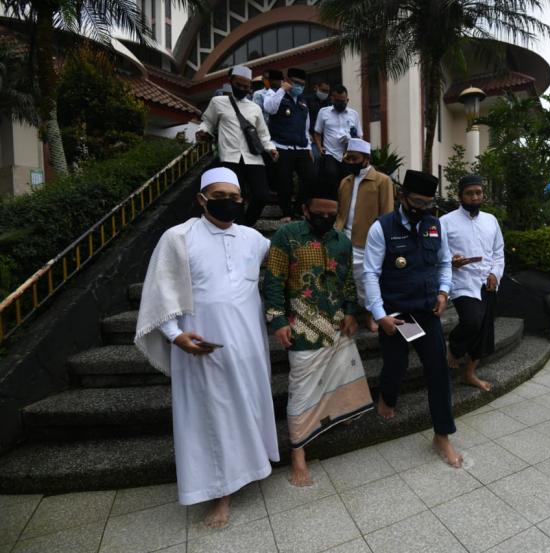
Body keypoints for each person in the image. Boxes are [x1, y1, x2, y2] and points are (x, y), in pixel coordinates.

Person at [134, 167, 279, 529]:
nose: (229, 203)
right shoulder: (178, 237)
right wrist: (174, 335)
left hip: (249, 348)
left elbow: (286, 261)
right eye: (220, 196)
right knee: (211, 420)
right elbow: (160, 291)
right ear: (201, 199)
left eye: (235, 197)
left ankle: (254, 468)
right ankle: (220, 495)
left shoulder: (254, 239)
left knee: (248, 407)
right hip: (202, 348)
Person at [263, 181, 373, 487]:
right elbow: (272, 280)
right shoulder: (287, 236)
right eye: (319, 213)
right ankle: (298, 451)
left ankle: (336, 417)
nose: (326, 218)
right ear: (305, 210)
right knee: (301, 391)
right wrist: (277, 321)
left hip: (338, 324)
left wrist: (352, 311)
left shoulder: (342, 241)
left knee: (341, 376)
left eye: (332, 213)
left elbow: (348, 281)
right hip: (302, 327)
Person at [363, 169, 463, 468]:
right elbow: (370, 272)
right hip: (398, 313)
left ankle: (442, 435)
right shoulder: (382, 227)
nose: (422, 209)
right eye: (417, 202)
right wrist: (380, 315)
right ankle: (387, 397)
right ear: (402, 197)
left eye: (428, 204)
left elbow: (445, 262)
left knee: (438, 371)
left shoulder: (434, 225)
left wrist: (444, 293)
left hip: (427, 310)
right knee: (396, 364)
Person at [440, 175, 505, 392]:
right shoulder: (445, 222)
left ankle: (469, 373)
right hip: (462, 282)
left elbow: (498, 253)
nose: (475, 197)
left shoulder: (491, 220)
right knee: (472, 321)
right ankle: (454, 348)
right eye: (469, 193)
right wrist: (452, 261)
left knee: (484, 332)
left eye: (478, 192)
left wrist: (495, 274)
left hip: (487, 283)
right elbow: (440, 254)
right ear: (460, 196)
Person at [195, 65, 277, 227]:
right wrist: (203, 132)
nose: (242, 89)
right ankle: (238, 226)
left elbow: (262, 133)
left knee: (262, 195)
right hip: (229, 158)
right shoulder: (218, 102)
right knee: (233, 197)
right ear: (231, 82)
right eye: (239, 85)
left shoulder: (255, 107)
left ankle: (246, 225)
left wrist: (271, 148)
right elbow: (208, 123)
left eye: (246, 87)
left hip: (254, 159)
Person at [333, 138, 394, 332]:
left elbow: (387, 213)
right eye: (347, 158)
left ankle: (370, 314)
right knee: (343, 278)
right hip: (343, 238)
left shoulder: (382, 181)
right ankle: (347, 314)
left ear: (366, 158)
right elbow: (341, 211)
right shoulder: (345, 181)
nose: (349, 162)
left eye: (354, 158)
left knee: (366, 279)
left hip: (368, 241)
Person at [264, 67, 317, 221]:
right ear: (287, 81)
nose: (299, 87)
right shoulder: (274, 94)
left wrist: (308, 148)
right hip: (282, 145)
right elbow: (269, 108)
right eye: (296, 83)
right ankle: (286, 212)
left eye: (302, 84)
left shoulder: (303, 101)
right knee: (284, 181)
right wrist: (282, 90)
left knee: (311, 178)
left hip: (301, 147)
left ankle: (299, 207)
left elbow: (305, 127)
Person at [314, 85, 363, 185]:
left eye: (343, 101)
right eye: (337, 101)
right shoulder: (323, 112)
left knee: (347, 181)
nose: (340, 103)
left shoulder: (354, 114)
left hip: (348, 154)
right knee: (331, 177)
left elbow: (359, 136)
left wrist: (351, 139)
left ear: (347, 100)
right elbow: (317, 133)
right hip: (330, 153)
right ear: (332, 99)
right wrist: (319, 148)